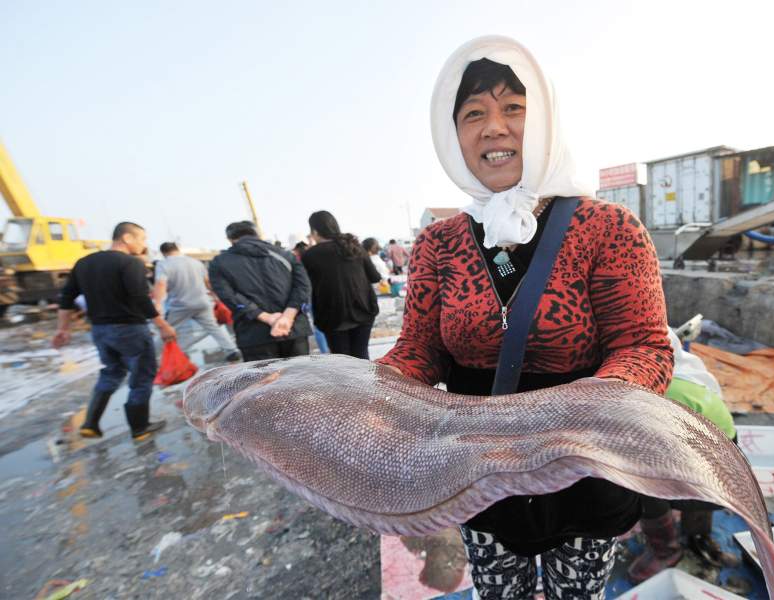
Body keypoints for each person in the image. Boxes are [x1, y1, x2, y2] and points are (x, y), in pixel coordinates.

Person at [375, 37, 673, 600]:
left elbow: (645, 348)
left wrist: (572, 413)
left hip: (584, 468)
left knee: (575, 594)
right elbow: (418, 349)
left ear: (545, 123)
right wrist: (371, 394)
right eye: (473, 114)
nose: (493, 127)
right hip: (478, 474)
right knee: (498, 592)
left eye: (514, 107)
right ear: (452, 135)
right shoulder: (439, 242)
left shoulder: (608, 228)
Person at [628, 327, 736, 582]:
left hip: (710, 482)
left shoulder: (652, 392)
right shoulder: (688, 373)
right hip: (730, 475)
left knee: (633, 480)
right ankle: (698, 537)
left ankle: (665, 550)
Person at [53, 222, 174, 440]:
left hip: (100, 331)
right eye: (142, 239)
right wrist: (163, 325)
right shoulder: (130, 263)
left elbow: (66, 298)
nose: (143, 244)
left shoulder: (84, 263)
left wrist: (62, 329)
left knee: (112, 371)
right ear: (127, 238)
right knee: (142, 376)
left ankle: (90, 423)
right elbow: (140, 299)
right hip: (130, 329)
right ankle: (139, 428)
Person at [208, 221, 313, 361]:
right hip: (293, 329)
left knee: (264, 381)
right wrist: (287, 317)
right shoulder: (285, 255)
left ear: (230, 239)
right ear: (257, 234)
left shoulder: (219, 263)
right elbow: (303, 287)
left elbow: (228, 296)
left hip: (253, 335)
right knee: (300, 378)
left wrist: (265, 317)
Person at [301, 211, 381, 359]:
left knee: (342, 361)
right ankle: (366, 382)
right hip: (363, 310)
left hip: (332, 316)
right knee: (361, 355)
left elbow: (305, 287)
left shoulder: (310, 255)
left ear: (315, 231)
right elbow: (375, 277)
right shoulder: (355, 247)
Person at [153, 242, 240, 361]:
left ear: (163, 253)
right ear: (177, 249)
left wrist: (157, 303)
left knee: (167, 329)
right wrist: (215, 297)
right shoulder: (195, 262)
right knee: (213, 327)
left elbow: (161, 284)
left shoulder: (163, 264)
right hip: (203, 302)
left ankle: (152, 356)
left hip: (180, 305)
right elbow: (207, 282)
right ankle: (231, 350)